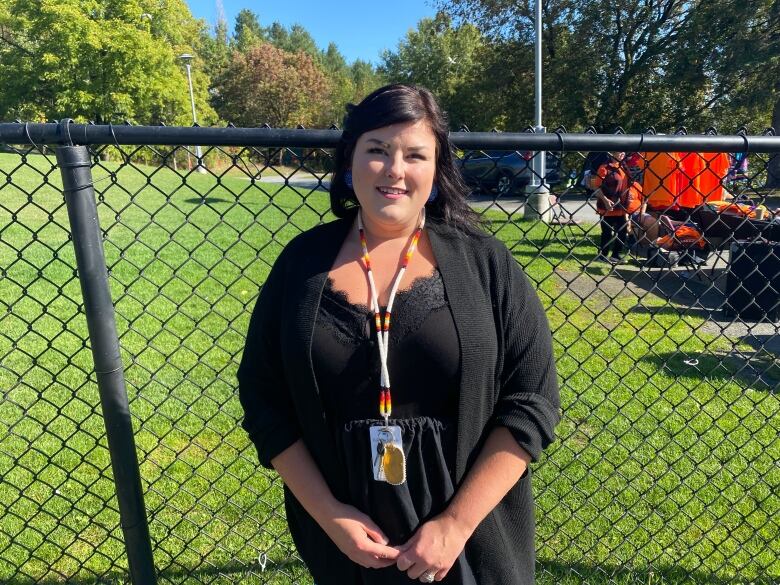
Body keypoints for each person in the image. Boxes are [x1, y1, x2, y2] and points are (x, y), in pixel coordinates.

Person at [238, 84, 560, 585]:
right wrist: (331, 517)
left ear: (436, 169)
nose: (394, 170)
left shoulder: (486, 265)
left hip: (472, 547)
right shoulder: (301, 266)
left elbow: (532, 400)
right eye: (377, 151)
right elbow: (263, 398)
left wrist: (455, 525)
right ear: (349, 162)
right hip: (347, 550)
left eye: (415, 154)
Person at [591, 151, 640, 264]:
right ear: (612, 154)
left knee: (622, 232)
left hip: (621, 207)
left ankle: (615, 255)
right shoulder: (604, 168)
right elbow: (596, 188)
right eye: (619, 152)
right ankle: (602, 256)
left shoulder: (624, 167)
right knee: (607, 233)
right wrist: (605, 200)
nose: (622, 154)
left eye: (623, 152)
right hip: (607, 207)